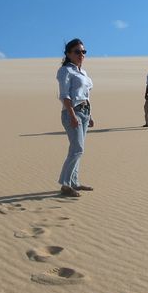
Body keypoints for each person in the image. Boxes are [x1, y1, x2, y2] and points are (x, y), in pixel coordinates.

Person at [56, 38, 95, 197]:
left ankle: (74, 182)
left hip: (84, 112)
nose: (81, 54)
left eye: (83, 52)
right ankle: (65, 184)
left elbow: (85, 95)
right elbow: (64, 95)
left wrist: (90, 115)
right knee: (77, 149)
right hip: (72, 112)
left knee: (78, 149)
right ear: (68, 54)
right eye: (77, 52)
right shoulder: (65, 71)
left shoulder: (82, 72)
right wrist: (72, 115)